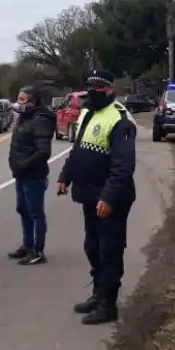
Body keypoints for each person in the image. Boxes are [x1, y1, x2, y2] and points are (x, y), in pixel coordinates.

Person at [57, 70, 137, 325]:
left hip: (110, 199)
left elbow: (123, 166)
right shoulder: (87, 114)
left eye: (97, 88)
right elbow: (77, 151)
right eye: (88, 87)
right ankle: (97, 293)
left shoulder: (120, 120)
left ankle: (108, 304)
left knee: (109, 251)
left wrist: (109, 198)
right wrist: (64, 176)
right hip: (89, 195)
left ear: (110, 90)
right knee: (92, 247)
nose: (91, 92)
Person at [7, 86, 56, 265]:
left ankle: (38, 250)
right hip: (21, 174)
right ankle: (27, 246)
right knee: (23, 209)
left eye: (22, 99)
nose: (17, 103)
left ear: (32, 102)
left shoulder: (39, 120)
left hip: (33, 175)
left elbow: (43, 151)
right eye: (18, 98)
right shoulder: (24, 118)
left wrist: (25, 165)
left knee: (35, 212)